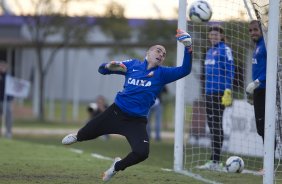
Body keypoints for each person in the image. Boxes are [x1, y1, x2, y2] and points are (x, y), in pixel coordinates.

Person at [61, 29, 193, 182]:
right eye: (158, 51)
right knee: (84, 135)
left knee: (142, 153)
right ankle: (77, 136)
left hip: (136, 121)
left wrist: (188, 48)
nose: (161, 55)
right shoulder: (132, 65)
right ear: (148, 53)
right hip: (115, 113)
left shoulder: (163, 74)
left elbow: (185, 70)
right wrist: (107, 66)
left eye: (164, 54)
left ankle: (116, 167)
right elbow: (103, 70)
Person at [199, 25, 235, 170]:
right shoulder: (209, 51)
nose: (213, 37)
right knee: (211, 124)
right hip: (209, 93)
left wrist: (228, 90)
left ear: (221, 36)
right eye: (211, 34)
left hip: (219, 92)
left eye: (216, 34)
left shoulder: (225, 49)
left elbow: (230, 69)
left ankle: (216, 160)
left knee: (216, 124)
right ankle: (213, 160)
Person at [246, 20, 266, 143]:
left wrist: (256, 82)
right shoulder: (258, 46)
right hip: (259, 90)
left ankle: (270, 161)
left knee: (266, 127)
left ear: (262, 30)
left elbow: (273, 68)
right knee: (261, 128)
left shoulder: (266, 45)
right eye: (250, 30)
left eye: (255, 29)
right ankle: (269, 160)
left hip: (265, 90)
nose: (253, 33)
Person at [0, 60, 13, 138]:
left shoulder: (8, 77)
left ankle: (8, 133)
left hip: (6, 101)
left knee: (8, 117)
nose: (2, 68)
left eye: (3, 66)